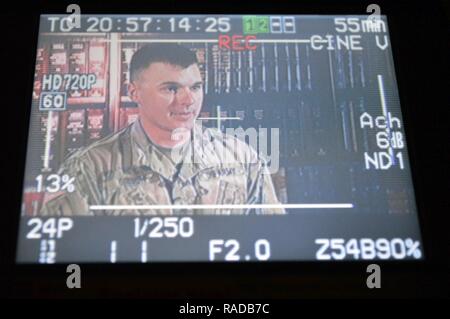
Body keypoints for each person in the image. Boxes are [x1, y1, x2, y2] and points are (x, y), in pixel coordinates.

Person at [40, 44, 284, 216]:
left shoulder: (242, 158)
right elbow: (63, 253)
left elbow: (271, 243)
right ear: (134, 92)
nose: (188, 101)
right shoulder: (87, 167)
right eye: (171, 89)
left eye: (196, 87)